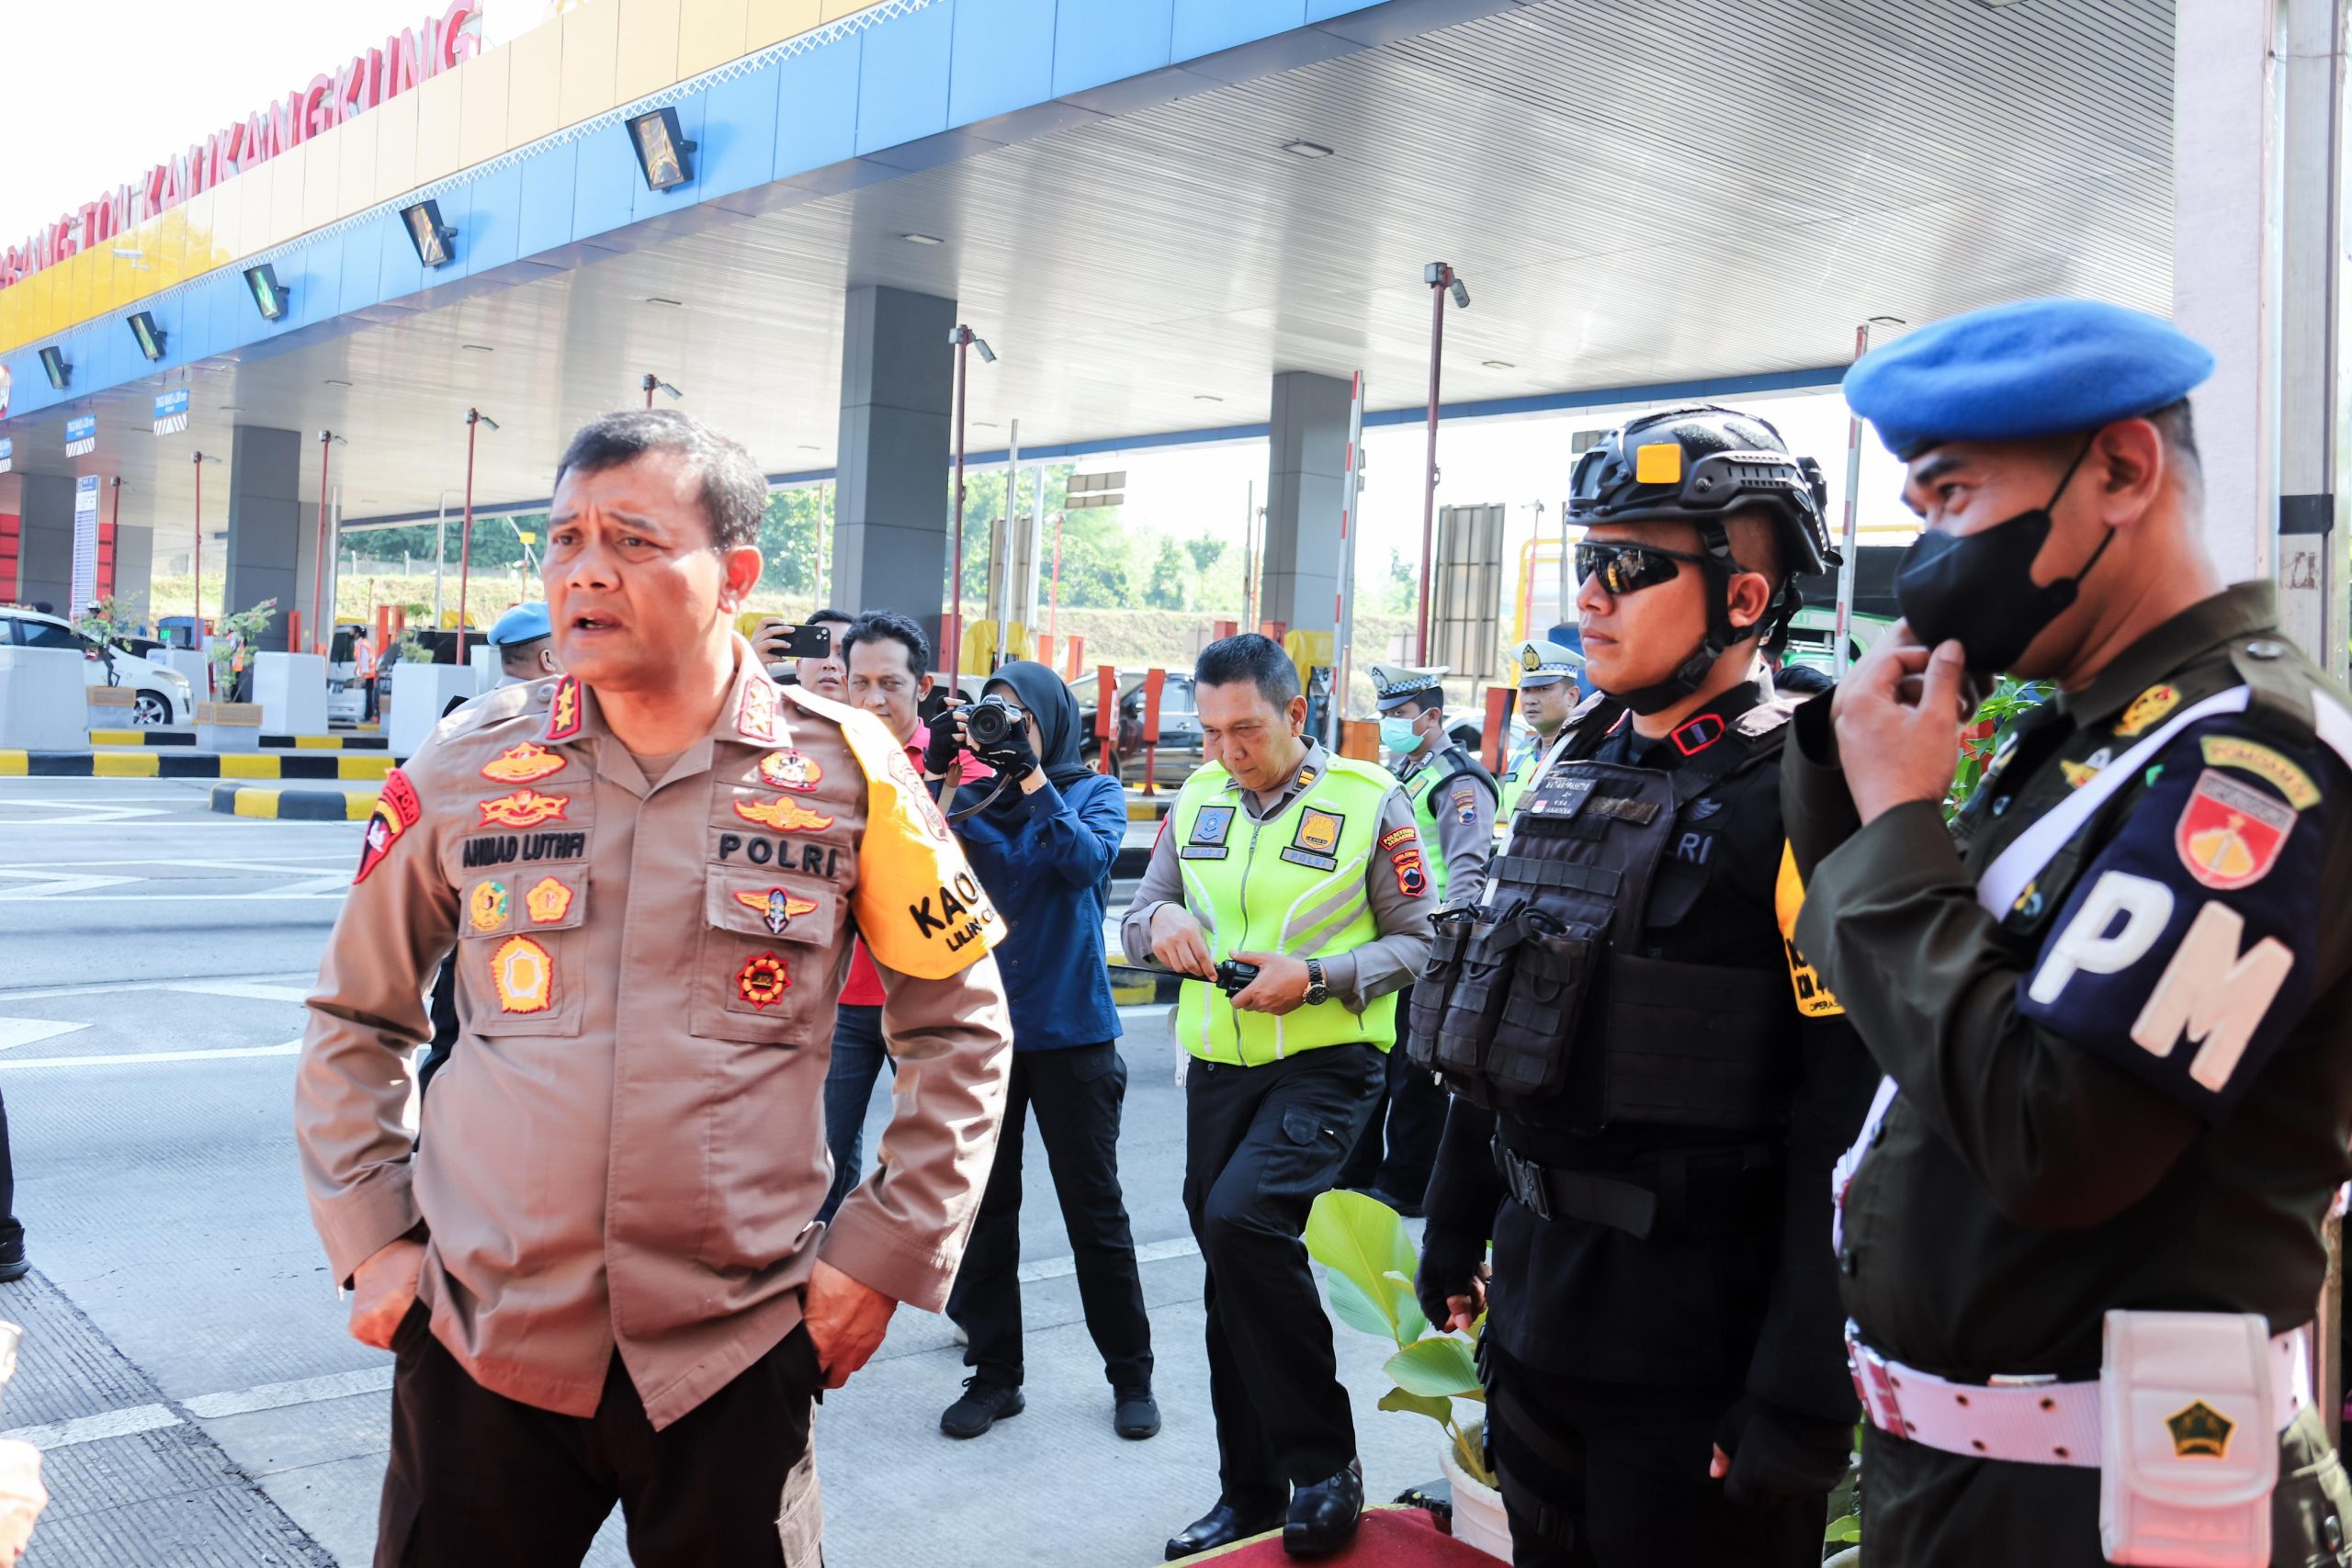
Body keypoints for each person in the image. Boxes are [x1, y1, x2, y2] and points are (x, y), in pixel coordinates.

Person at [293, 408, 1013, 1567]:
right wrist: (374, 1238)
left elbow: (961, 1024)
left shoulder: (849, 771)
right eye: (565, 539)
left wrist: (881, 1256)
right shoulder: (467, 763)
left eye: (631, 541)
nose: (585, 570)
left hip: (734, 1346)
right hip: (483, 1337)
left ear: (732, 577)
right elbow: (357, 1015)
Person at [1786, 297, 2352, 1565]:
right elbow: (1904, 994)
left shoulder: (2249, 766)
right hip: (1963, 1483)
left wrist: (1898, 818)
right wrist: (1850, 772)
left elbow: (2056, 1137)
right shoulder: (2076, 734)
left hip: (2127, 1503)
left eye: (1952, 497)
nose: (1927, 551)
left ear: (2120, 470)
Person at [1416, 405, 1876, 1568]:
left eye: (1630, 567)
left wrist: (1802, 1389)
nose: (1590, 597)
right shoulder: (1579, 760)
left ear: (1743, 597)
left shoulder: (1808, 793)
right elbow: (1505, 997)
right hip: (1535, 1326)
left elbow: (1851, 1118)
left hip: (1694, 1372)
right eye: (1587, 562)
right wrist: (1457, 1215)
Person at [1122, 633, 1433, 1561]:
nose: (1227, 751)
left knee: (1244, 1221)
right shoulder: (1198, 797)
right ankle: (1247, 1493)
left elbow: (1421, 941)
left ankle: (1324, 1462)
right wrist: (1163, 922)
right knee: (1231, 1266)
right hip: (1218, 1068)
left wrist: (1320, 973)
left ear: (1298, 714)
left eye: (1246, 729)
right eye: (1211, 731)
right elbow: (1140, 915)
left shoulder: (1371, 800)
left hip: (1327, 1063)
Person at [933, 661, 1158, 1443]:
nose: (1005, 727)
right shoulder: (967, 797)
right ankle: (996, 1375)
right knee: (987, 1212)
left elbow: (1084, 865)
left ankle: (1132, 1373)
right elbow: (915, 870)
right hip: (988, 1032)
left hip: (1074, 1029)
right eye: (990, 713)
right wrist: (933, 770)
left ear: (1051, 719)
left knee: (1093, 1209)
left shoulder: (1091, 791)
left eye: (1017, 715)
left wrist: (1031, 777)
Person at [816, 610, 989, 1224]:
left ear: (923, 686)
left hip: (925, 994)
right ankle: (816, 1307)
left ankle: (968, 1303)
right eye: (859, 682)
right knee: (824, 1165)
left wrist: (936, 778)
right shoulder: (821, 760)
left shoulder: (963, 770)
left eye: (889, 683)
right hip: (840, 997)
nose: (872, 697)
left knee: (944, 1164)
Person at [1333, 663, 1494, 1214]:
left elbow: (1467, 869)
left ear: (1432, 716)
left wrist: (1451, 948)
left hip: (1431, 947)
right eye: (1384, 714)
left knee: (1415, 1074)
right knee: (1376, 1060)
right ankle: (1358, 1171)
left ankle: (1407, 1183)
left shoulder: (1457, 780)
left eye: (1399, 715)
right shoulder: (1406, 772)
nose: (1388, 724)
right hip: (1390, 939)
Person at [417, 603, 566, 1101]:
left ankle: (428, 1157)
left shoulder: (455, 724)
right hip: (542, 931)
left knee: (449, 1048)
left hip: (463, 927)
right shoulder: (562, 724)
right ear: (549, 659)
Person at [1494, 637, 1585, 827]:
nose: (1530, 700)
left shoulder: (1587, 754)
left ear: (1572, 696)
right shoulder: (1523, 752)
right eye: (1526, 690)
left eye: (1543, 689)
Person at [354, 629, 381, 723]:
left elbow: (364, 661)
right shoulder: (366, 643)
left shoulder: (362, 645)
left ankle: (367, 715)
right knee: (369, 695)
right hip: (370, 673)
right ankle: (369, 715)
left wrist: (363, 676)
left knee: (368, 696)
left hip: (368, 674)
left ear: (358, 634)